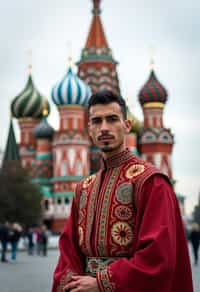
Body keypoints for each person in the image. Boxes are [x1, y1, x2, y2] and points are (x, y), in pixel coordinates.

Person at [52, 90, 193, 292]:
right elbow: (68, 250)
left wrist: (101, 283)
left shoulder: (151, 182)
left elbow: (158, 255)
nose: (104, 128)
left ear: (127, 126)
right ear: (89, 129)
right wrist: (74, 283)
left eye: (112, 119)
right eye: (97, 121)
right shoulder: (84, 188)